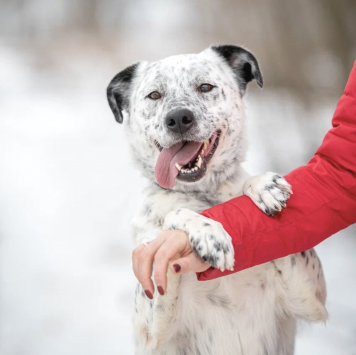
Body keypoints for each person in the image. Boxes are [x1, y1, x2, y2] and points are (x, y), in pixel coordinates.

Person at [132, 61, 356, 296]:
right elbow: (343, 175)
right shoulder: (148, 220)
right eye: (155, 95)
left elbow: (313, 305)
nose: (176, 113)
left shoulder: (260, 190)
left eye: (205, 88)